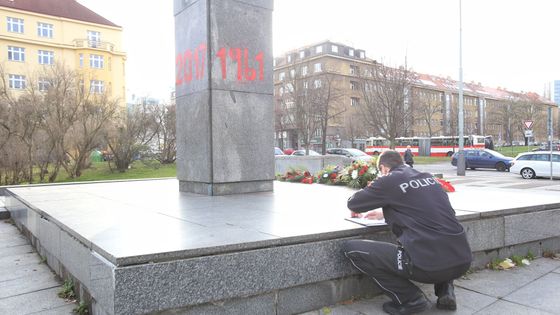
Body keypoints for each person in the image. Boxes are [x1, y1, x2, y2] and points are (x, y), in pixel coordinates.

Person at [343, 150, 472, 315]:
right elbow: (427, 208)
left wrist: (378, 183)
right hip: (462, 261)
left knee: (351, 248)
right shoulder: (427, 177)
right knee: (440, 232)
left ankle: (411, 299)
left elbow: (354, 203)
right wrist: (384, 213)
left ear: (383, 168)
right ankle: (446, 291)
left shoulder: (389, 180)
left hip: (427, 265)